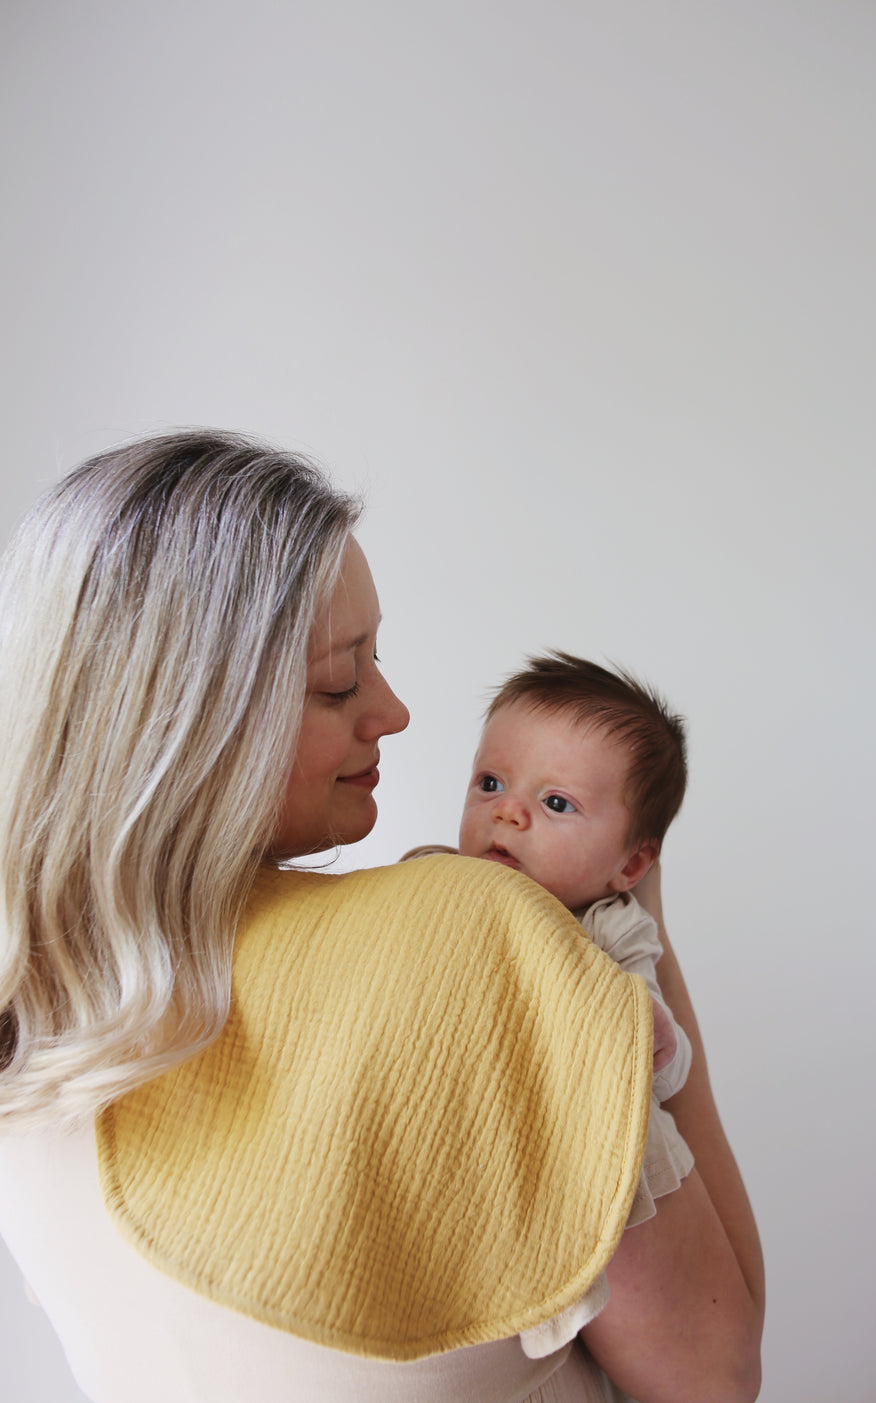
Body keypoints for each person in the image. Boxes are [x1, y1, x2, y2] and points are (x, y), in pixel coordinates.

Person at [0, 429, 764, 1403]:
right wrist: (630, 916)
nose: (395, 710)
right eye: (338, 680)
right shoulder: (480, 941)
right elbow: (715, 1369)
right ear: (184, 720)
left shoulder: (31, 1009)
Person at [406, 652, 693, 1104]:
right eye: (490, 783)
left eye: (556, 803)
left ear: (631, 866)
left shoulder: (612, 929)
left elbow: (669, 1073)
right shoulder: (435, 878)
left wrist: (653, 1038)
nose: (507, 811)